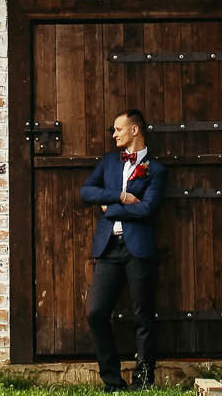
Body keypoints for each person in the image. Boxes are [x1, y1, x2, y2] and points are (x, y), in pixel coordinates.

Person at [80, 106, 168, 390]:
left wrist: (111, 209)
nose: (113, 134)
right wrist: (120, 195)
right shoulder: (108, 162)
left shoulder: (156, 169)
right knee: (96, 312)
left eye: (117, 129)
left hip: (139, 249)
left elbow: (148, 210)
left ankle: (144, 381)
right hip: (109, 249)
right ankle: (112, 381)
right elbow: (87, 191)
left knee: (143, 315)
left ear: (134, 130)